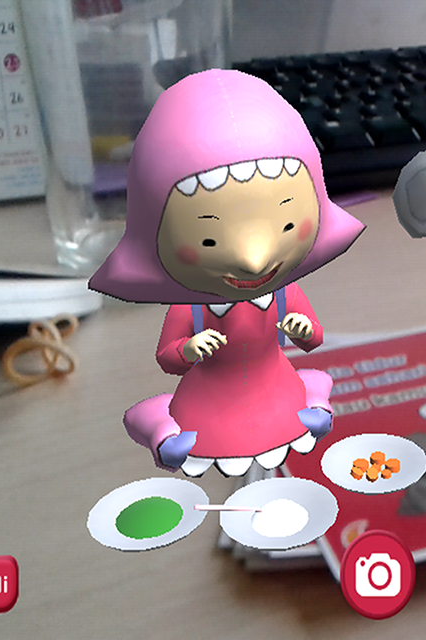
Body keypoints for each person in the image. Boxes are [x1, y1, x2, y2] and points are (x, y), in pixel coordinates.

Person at [89, 69, 365, 477]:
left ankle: (314, 396)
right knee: (191, 432)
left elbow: (313, 338)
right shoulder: (192, 308)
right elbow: (168, 357)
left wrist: (304, 330)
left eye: (289, 225)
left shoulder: (286, 294)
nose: (253, 261)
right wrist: (189, 349)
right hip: (211, 396)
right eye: (208, 240)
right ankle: (158, 424)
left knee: (299, 407)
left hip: (275, 384)